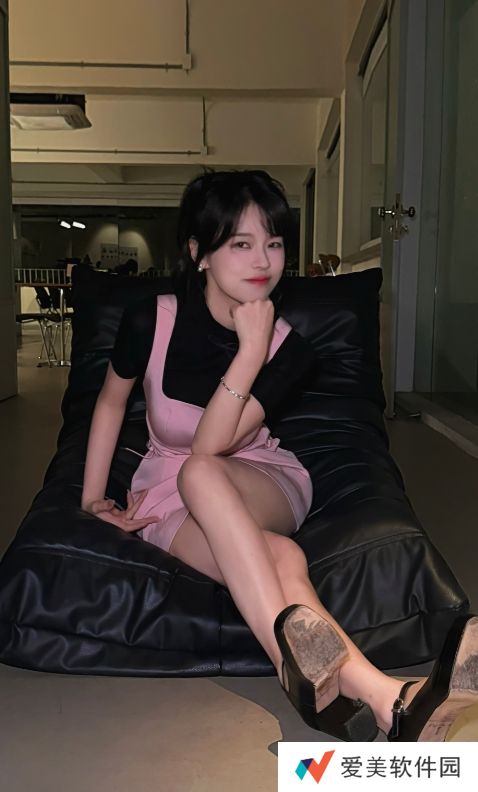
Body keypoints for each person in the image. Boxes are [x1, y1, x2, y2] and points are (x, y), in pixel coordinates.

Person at [81, 169, 478, 742]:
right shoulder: (150, 320)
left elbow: (211, 448)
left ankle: (294, 665)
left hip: (261, 476)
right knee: (284, 557)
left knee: (202, 471)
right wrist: (93, 498)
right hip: (165, 493)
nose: (262, 260)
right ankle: (389, 698)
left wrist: (252, 349)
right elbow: (110, 402)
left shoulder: (290, 347)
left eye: (273, 243)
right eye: (240, 244)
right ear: (198, 253)